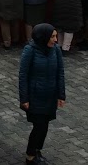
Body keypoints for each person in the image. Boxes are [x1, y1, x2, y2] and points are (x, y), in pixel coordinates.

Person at [19, 24, 66, 165]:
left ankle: (37, 151)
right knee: (38, 126)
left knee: (44, 126)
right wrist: (24, 98)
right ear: (43, 37)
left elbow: (60, 72)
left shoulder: (56, 50)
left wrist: (61, 95)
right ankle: (30, 155)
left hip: (49, 96)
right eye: (52, 36)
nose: (56, 40)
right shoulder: (30, 51)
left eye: (56, 36)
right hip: (35, 97)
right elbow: (23, 75)